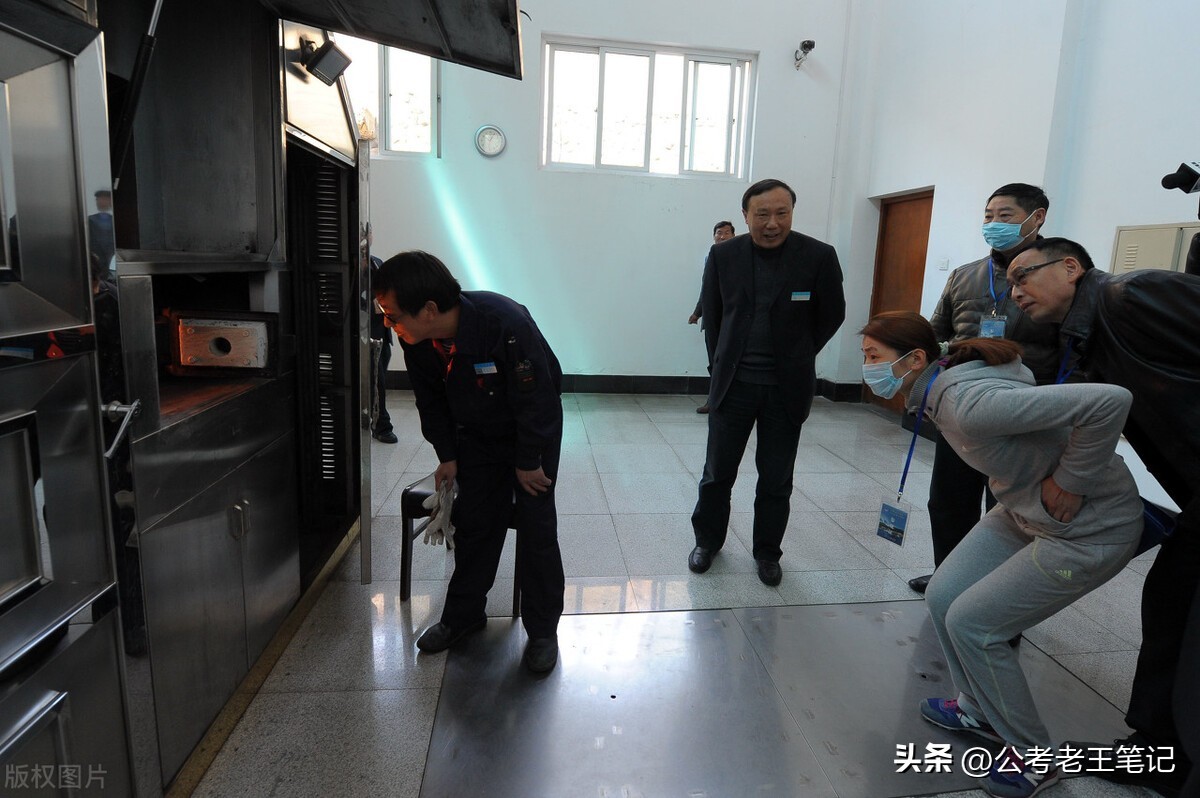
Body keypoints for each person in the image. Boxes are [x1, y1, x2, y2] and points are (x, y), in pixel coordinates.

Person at [861, 310, 1142, 798]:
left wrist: (1071, 482)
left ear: (916, 359)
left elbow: (1111, 400)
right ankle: (979, 709)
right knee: (944, 595)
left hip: (1088, 532)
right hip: (1022, 510)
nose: (867, 367)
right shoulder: (944, 386)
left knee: (974, 623)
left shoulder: (967, 404)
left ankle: (1035, 758)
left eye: (873, 357)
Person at [1007, 237, 1200, 795]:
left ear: (1071, 268)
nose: (1016, 291)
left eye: (1025, 275)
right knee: (1171, 601)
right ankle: (1158, 751)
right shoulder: (1081, 336)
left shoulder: (1132, 296)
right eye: (1010, 283)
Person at [374, 250, 566, 674]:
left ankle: (542, 632)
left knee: (536, 527)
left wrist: (529, 459)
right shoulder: (418, 341)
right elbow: (430, 401)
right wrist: (447, 455)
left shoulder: (503, 323)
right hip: (476, 435)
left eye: (392, 314)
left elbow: (539, 397)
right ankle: (463, 616)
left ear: (429, 309)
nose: (388, 324)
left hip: (530, 433)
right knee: (476, 521)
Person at [688, 178, 846, 586]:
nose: (772, 223)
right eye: (762, 214)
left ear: (792, 213)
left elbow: (833, 313)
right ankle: (707, 541)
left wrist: (800, 353)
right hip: (734, 386)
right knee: (717, 473)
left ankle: (767, 552)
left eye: (782, 213)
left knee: (776, 478)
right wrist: (721, 364)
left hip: (785, 389)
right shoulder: (723, 255)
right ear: (745, 216)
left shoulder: (818, 256)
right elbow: (714, 316)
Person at [909, 183, 1059, 595]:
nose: (993, 223)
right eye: (988, 216)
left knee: (1009, 509)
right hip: (961, 412)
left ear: (1037, 218)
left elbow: (1074, 350)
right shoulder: (964, 276)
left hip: (1023, 415)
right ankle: (948, 579)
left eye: (1005, 216)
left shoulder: (1059, 278)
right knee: (948, 501)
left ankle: (996, 594)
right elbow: (935, 337)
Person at [688, 220, 736, 415]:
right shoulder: (710, 258)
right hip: (712, 318)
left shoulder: (739, 257)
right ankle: (714, 399)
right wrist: (697, 312)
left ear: (733, 236)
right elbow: (706, 289)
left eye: (726, 233)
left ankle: (727, 400)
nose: (722, 236)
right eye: (719, 233)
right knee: (714, 360)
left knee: (729, 360)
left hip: (732, 319)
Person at [366, 224, 397, 443]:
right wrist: (371, 306)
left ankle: (376, 421)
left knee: (379, 380)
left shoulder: (377, 262)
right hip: (364, 334)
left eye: (368, 233)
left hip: (382, 333)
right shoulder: (349, 269)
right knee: (376, 381)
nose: (368, 238)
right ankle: (381, 425)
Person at [87, 189, 116, 277]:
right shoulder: (89, 220)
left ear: (110, 201)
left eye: (103, 199)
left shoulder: (116, 221)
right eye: (98, 199)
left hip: (112, 264)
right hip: (95, 264)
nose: (99, 202)